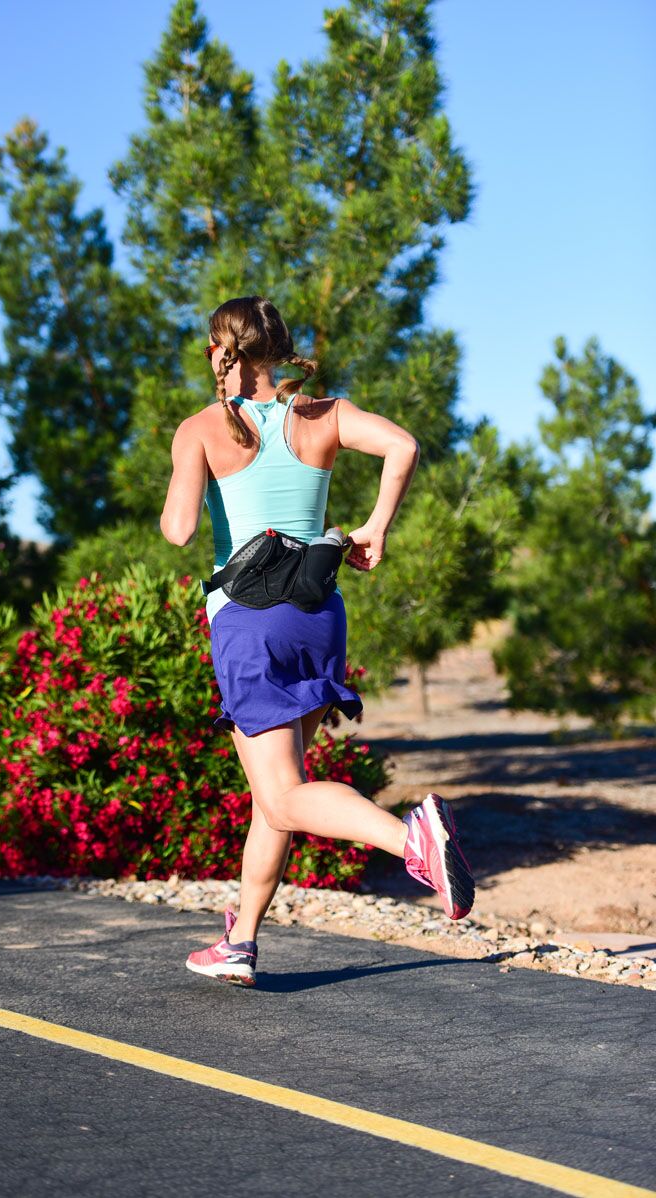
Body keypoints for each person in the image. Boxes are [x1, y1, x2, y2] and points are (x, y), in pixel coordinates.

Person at [160, 295, 474, 987]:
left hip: (249, 620)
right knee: (275, 796)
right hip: (318, 614)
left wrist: (192, 461)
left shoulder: (201, 427)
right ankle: (240, 941)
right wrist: (375, 527)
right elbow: (403, 446)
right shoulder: (324, 414)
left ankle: (411, 838)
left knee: (281, 795)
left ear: (222, 351)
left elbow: (178, 531)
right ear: (278, 349)